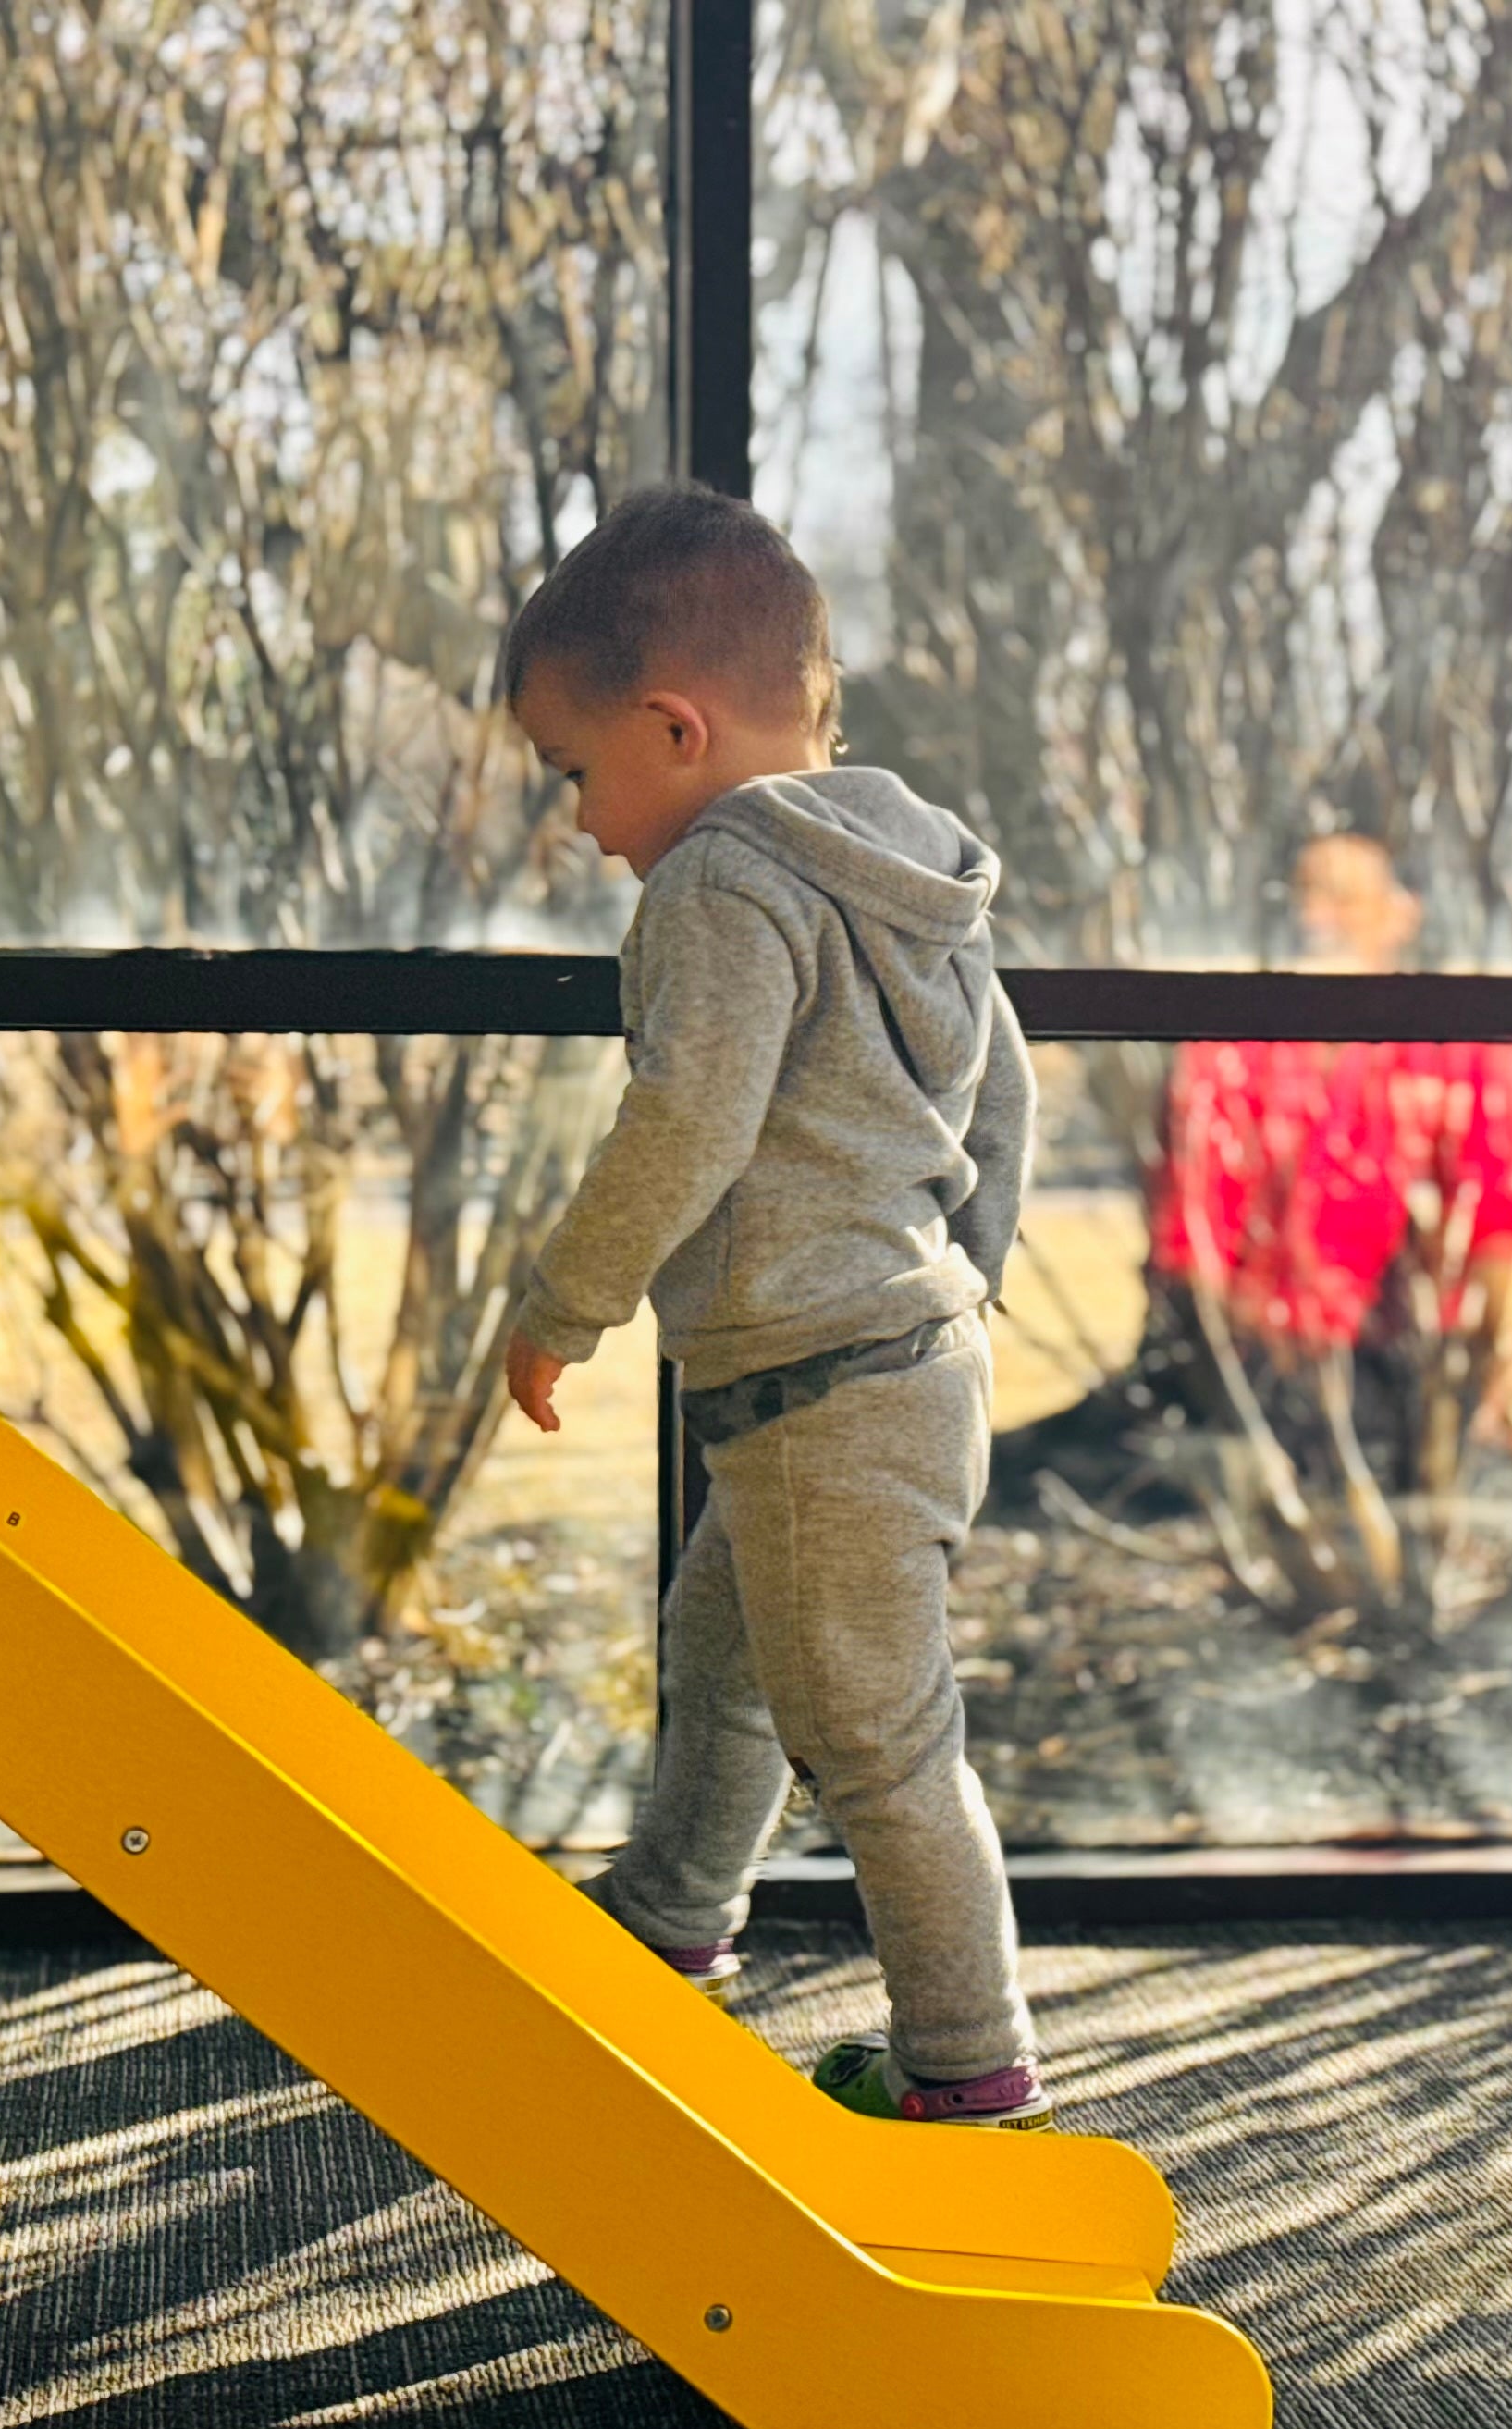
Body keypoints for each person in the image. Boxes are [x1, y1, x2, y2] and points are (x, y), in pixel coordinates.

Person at [497, 483, 1051, 2130]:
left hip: (825, 1380)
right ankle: (670, 1913)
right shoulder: (904, 870)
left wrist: (562, 1300)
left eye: (578, 773)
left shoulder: (722, 885)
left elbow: (686, 1117)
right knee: (724, 1656)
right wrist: (966, 1286)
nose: (585, 820)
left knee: (878, 1741)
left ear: (674, 727)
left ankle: (970, 2059)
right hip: (885, 1355)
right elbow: (1006, 1097)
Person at [1152, 832, 1512, 1480]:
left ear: (1400, 912)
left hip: (1404, 1367)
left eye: (1342, 898)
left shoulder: (1454, 1047)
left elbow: (1495, 1216)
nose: (1315, 920)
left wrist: (1483, 1367)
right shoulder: (1231, 1046)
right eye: (1303, 897)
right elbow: (1192, 1238)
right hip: (1259, 1366)